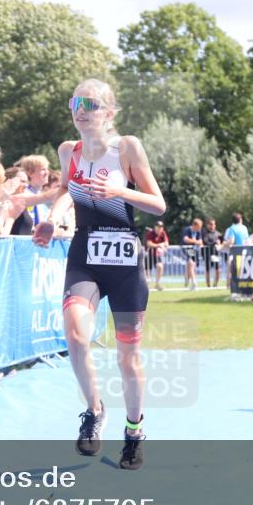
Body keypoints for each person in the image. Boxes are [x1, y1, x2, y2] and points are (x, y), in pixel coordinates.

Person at [33, 78, 165, 470]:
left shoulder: (127, 148)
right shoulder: (67, 151)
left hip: (124, 262)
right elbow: (64, 190)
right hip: (85, 254)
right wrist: (53, 219)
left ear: (108, 112)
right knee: (75, 334)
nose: (81, 111)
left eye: (90, 104)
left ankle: (134, 431)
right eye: (75, 103)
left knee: (128, 359)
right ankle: (94, 411)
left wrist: (120, 192)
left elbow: (158, 204)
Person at [10, 155, 53, 236]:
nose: (47, 172)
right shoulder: (21, 193)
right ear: (30, 173)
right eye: (43, 169)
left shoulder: (42, 198)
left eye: (47, 169)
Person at [145, 220, 169, 291]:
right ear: (155, 227)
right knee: (147, 271)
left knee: (160, 266)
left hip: (157, 255)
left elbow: (166, 243)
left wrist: (162, 245)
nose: (160, 228)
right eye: (158, 227)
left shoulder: (163, 233)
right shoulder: (150, 233)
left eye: (161, 227)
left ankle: (157, 284)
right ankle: (146, 286)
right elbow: (149, 244)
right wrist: (158, 245)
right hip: (149, 254)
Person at [181, 218, 203, 290]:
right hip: (186, 249)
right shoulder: (187, 230)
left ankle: (187, 279)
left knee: (191, 266)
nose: (200, 229)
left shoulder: (199, 231)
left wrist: (197, 242)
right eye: (199, 227)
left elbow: (200, 241)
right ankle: (194, 283)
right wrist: (195, 241)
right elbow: (185, 239)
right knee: (191, 264)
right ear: (194, 225)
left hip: (194, 250)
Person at [201, 218, 223, 287]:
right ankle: (208, 285)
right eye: (210, 224)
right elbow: (205, 242)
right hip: (206, 254)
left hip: (215, 254)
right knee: (208, 270)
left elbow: (222, 242)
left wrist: (220, 243)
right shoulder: (204, 233)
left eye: (213, 224)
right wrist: (215, 243)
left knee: (218, 269)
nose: (212, 226)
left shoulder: (218, 234)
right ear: (207, 225)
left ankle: (215, 284)